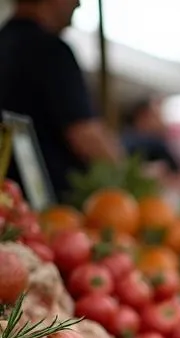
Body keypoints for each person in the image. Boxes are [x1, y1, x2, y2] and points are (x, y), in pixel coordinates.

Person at [0, 0, 121, 202]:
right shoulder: (51, 52)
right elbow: (85, 135)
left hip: (9, 208)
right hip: (51, 211)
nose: (79, 4)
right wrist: (125, 169)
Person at [121, 97, 180, 186]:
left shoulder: (125, 140)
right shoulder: (147, 143)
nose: (162, 121)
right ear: (143, 116)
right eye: (156, 115)